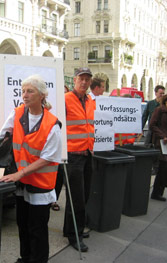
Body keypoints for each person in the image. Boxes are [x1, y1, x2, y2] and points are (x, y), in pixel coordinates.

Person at [0, 75, 62, 263]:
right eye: (23, 91)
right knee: (23, 224)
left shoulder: (52, 124)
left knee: (37, 228)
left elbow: (48, 158)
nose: (24, 95)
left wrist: (20, 173)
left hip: (40, 185)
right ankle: (25, 258)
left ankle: (38, 260)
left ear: (42, 95)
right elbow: (0, 137)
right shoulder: (17, 113)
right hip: (22, 182)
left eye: (30, 91)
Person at [63, 67, 94, 252]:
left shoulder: (90, 101)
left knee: (84, 195)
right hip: (72, 156)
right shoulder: (66, 100)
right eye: (81, 79)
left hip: (88, 154)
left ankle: (71, 228)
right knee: (77, 199)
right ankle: (75, 235)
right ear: (74, 80)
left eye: (87, 79)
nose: (84, 82)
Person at [149, 92, 167, 201]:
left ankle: (158, 192)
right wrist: (162, 136)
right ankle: (157, 193)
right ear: (166, 100)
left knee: (164, 168)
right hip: (160, 143)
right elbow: (152, 125)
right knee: (163, 167)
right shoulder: (159, 110)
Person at [51, 85, 70, 212]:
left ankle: (54, 200)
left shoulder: (70, 110)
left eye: (65, 93)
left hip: (64, 147)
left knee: (59, 175)